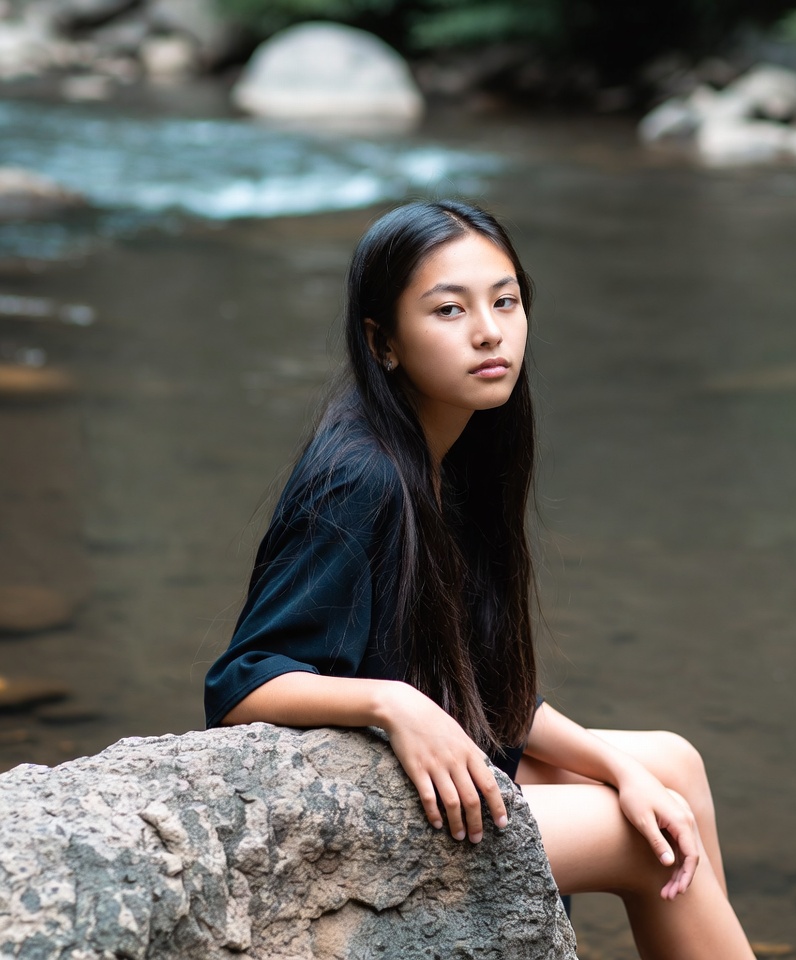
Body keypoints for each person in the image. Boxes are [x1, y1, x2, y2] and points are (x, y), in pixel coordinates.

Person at [204, 199, 755, 959]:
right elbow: (239, 685)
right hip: (365, 796)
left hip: (436, 772)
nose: (490, 331)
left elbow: (484, 689)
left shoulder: (458, 453)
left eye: (505, 301)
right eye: (449, 310)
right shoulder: (361, 477)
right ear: (383, 342)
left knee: (671, 766)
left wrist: (618, 766)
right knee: (646, 840)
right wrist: (393, 703)